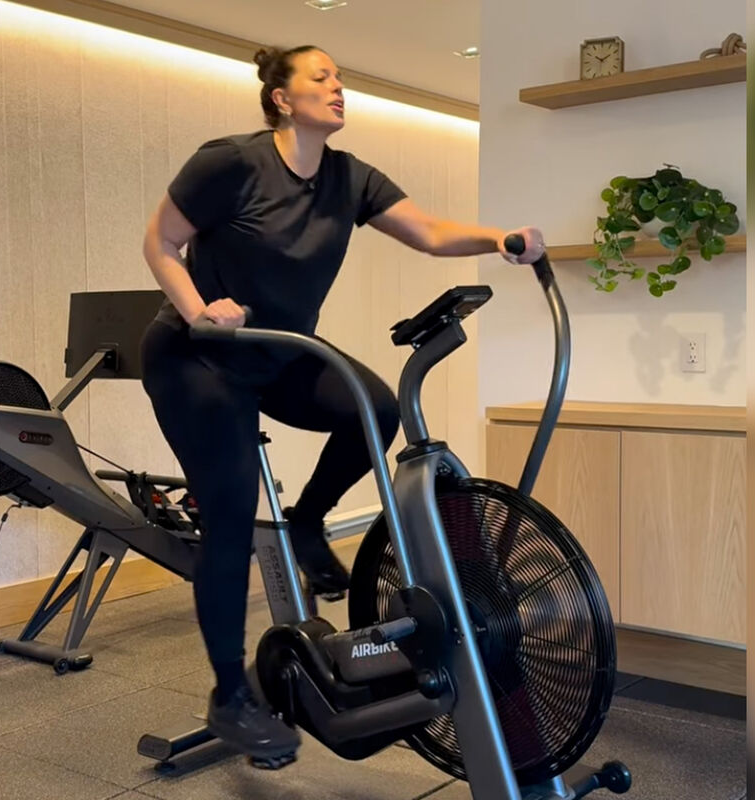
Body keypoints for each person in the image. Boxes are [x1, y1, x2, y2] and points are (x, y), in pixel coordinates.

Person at [139, 44, 546, 760]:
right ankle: (230, 696)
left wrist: (500, 238)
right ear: (281, 99)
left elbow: (428, 232)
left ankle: (306, 522)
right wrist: (201, 309)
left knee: (375, 409)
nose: (337, 88)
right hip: (197, 357)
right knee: (230, 516)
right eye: (321, 78)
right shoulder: (230, 163)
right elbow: (160, 242)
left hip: (279, 353)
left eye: (340, 79)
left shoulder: (349, 177)